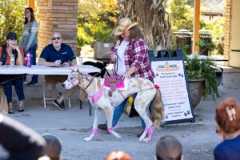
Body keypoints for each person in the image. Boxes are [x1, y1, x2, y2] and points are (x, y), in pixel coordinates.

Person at [99, 17, 154, 134]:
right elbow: (114, 51)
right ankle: (111, 125)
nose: (122, 34)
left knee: (141, 104)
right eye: (121, 32)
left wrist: (125, 76)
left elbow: (137, 63)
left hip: (139, 78)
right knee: (117, 100)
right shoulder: (121, 41)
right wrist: (113, 55)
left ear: (131, 30)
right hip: (120, 76)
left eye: (124, 32)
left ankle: (147, 129)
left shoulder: (139, 42)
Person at [38, 32, 76, 110]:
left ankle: (59, 99)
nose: (56, 40)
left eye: (58, 38)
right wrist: (53, 64)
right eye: (54, 38)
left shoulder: (67, 48)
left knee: (75, 84)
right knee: (49, 88)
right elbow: (40, 61)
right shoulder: (48, 48)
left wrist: (69, 63)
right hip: (51, 74)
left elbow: (74, 61)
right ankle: (60, 99)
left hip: (64, 74)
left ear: (61, 40)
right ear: (51, 41)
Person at [0, 32, 25, 114]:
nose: (13, 42)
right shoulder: (1, 49)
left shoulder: (19, 49)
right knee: (7, 82)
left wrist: (17, 50)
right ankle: (9, 103)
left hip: (15, 74)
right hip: (4, 75)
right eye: (11, 40)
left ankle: (21, 102)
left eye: (15, 40)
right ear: (7, 41)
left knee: (19, 81)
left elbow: (20, 64)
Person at [20, 7, 39, 85]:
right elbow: (23, 36)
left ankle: (35, 80)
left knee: (32, 63)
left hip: (31, 46)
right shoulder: (26, 23)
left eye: (27, 12)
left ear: (31, 13)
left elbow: (32, 36)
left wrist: (27, 47)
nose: (26, 13)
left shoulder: (34, 23)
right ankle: (23, 79)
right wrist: (20, 45)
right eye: (25, 12)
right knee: (25, 62)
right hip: (25, 46)